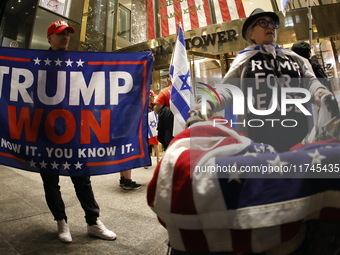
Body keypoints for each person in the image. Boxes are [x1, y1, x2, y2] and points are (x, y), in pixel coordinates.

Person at [197, 8, 332, 152]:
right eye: (263, 23)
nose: (270, 26)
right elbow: (228, 88)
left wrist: (319, 91)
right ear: (251, 33)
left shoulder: (293, 58)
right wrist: (208, 102)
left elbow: (310, 82)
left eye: (273, 23)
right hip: (260, 141)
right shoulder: (244, 61)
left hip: (300, 138)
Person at [43, 19, 116, 243]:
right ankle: (61, 221)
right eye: (60, 34)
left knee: (82, 177)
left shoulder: (79, 63)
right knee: (50, 180)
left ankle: (93, 222)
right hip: (45, 132)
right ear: (50, 38)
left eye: (68, 33)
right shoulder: (37, 63)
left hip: (73, 132)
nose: (65, 37)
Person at [153, 75, 174, 151]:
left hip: (169, 128)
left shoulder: (164, 92)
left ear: (167, 80)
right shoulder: (186, 91)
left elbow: (157, 109)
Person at [145, 90, 160, 169]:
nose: (152, 98)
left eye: (153, 97)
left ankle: (158, 159)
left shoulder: (155, 105)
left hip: (154, 126)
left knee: (156, 143)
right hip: (146, 127)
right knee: (147, 144)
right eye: (151, 97)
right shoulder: (144, 106)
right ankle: (147, 161)